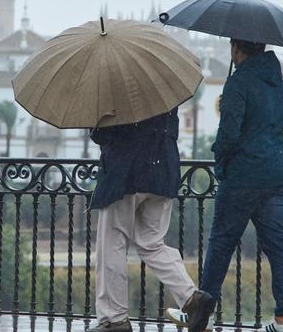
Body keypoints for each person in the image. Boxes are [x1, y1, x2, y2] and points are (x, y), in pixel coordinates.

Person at [167, 39, 283, 332]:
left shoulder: (239, 82)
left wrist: (221, 163)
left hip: (242, 177)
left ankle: (199, 318)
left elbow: (229, 134)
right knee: (277, 246)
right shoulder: (280, 85)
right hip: (275, 174)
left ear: (237, 48)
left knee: (221, 244)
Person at [86, 108, 213, 332]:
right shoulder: (163, 86)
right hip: (163, 171)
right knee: (152, 244)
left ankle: (115, 319)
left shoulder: (115, 86)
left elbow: (103, 134)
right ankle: (192, 298)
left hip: (125, 174)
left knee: (112, 243)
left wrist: (94, 126)